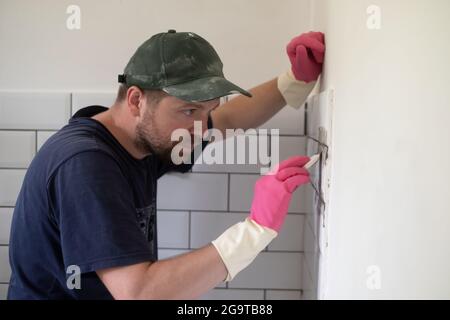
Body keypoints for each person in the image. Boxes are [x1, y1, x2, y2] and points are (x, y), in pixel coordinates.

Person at [7, 30, 325, 299]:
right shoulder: (85, 165)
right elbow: (138, 291)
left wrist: (294, 81)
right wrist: (255, 230)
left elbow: (226, 119)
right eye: (188, 111)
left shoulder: (135, 140)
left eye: (206, 110)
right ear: (136, 100)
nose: (201, 126)